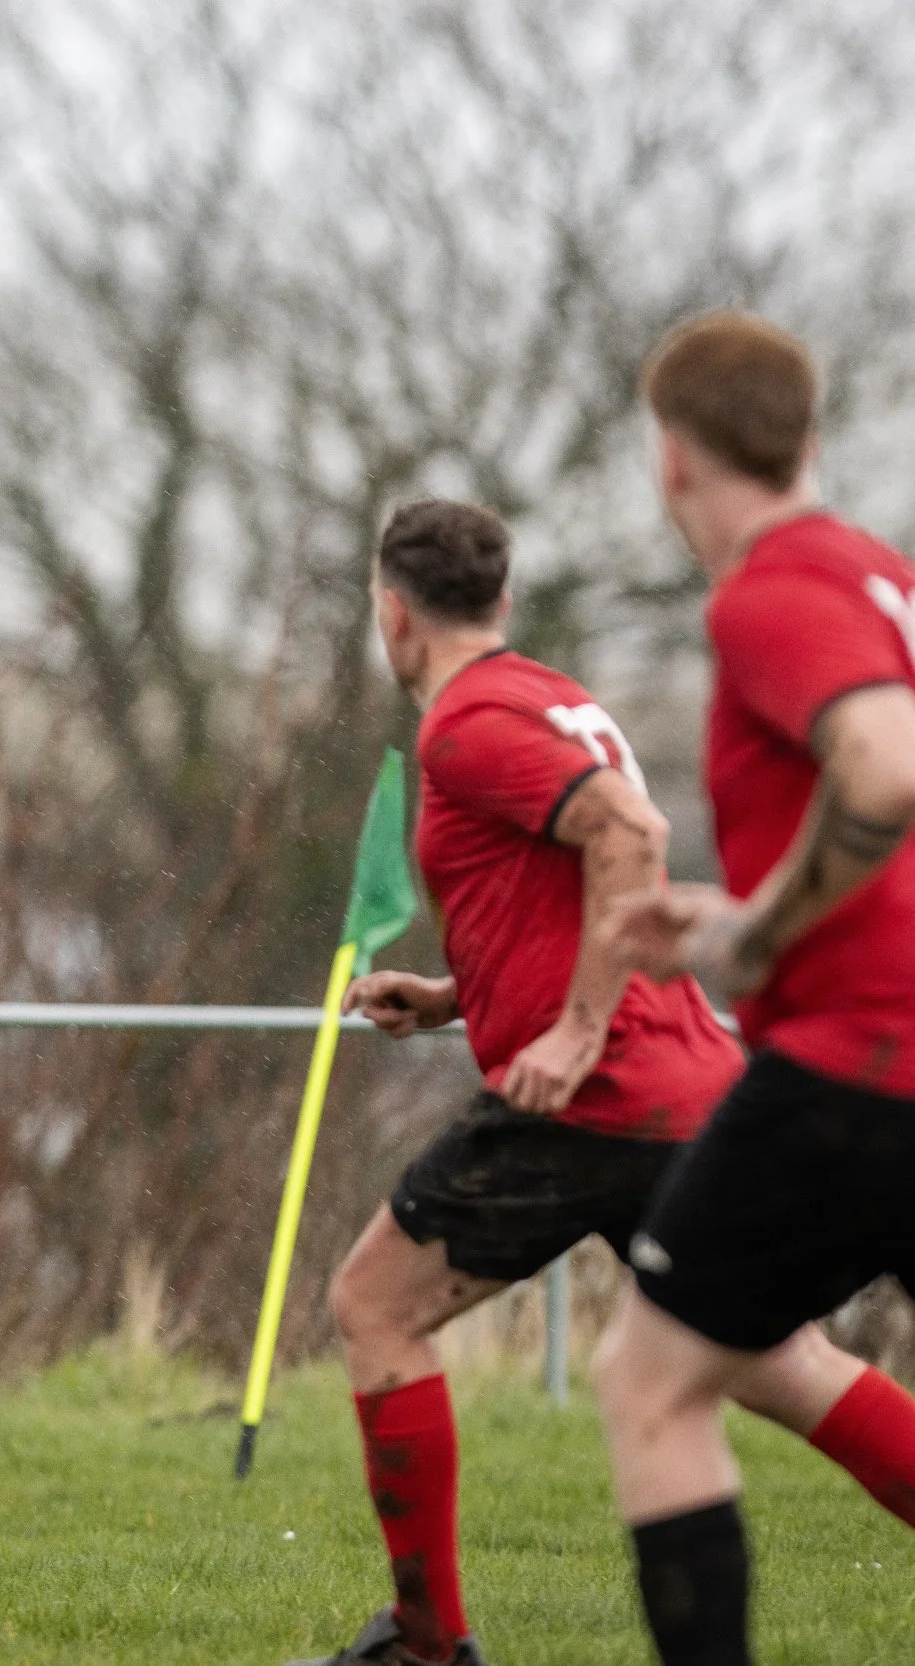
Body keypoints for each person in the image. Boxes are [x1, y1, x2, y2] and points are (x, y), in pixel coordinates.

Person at [292, 500, 915, 1666]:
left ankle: (427, 1648)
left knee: (374, 1306)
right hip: (684, 1081)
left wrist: (575, 1035)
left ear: (392, 611)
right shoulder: (544, 695)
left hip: (598, 1098)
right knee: (781, 1361)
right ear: (503, 602)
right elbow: (559, 894)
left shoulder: (466, 722)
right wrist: (450, 997)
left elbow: (629, 835)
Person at [592, 312, 915, 1666]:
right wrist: (738, 923)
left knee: (650, 1382)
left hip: (858, 1071)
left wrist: (764, 932)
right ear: (807, 438)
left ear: (673, 458)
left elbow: (888, 773)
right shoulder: (877, 572)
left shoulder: (769, 590)